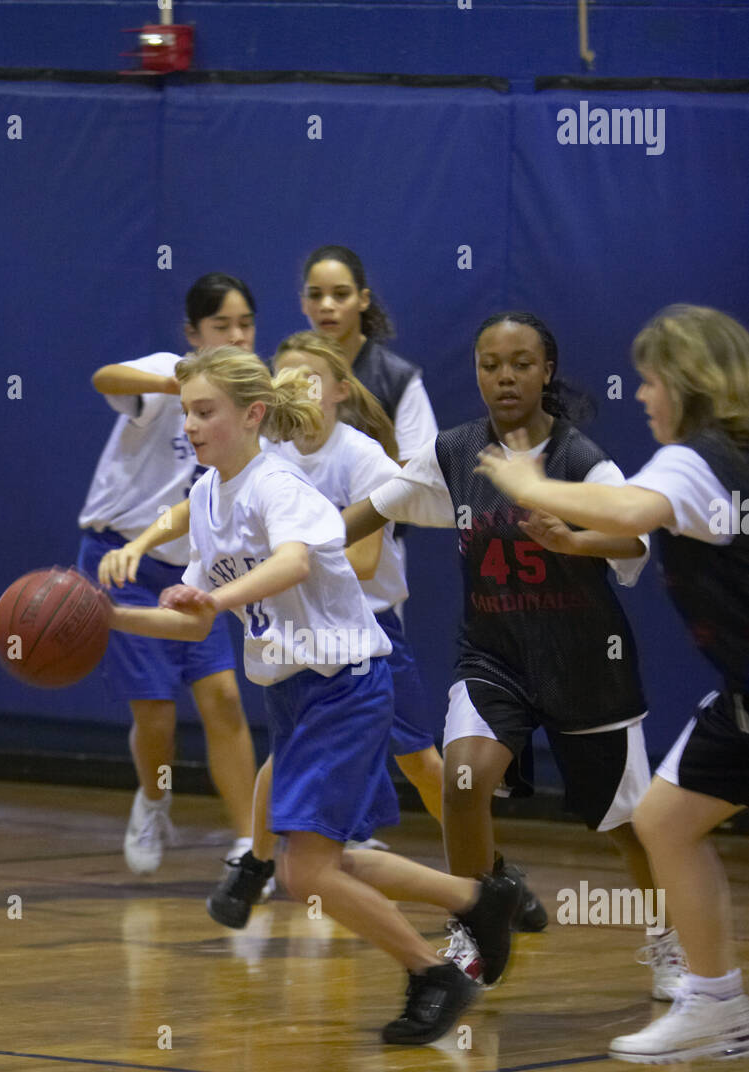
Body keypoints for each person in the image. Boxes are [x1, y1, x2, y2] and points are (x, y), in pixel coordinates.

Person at [107, 344, 523, 1044]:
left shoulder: (279, 486)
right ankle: (480, 898)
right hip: (292, 696)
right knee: (326, 863)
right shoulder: (207, 497)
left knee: (305, 871)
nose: (193, 427)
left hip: (347, 687)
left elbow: (292, 561)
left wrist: (217, 600)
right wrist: (106, 618)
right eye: (186, 414)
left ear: (253, 415)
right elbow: (192, 613)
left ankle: (433, 974)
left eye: (206, 412)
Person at [343, 312, 682, 997]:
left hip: (585, 663)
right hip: (494, 655)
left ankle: (670, 938)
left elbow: (637, 542)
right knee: (463, 780)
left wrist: (577, 540)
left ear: (545, 372)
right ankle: (474, 925)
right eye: (490, 364)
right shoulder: (455, 451)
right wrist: (298, 543)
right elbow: (371, 510)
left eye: (520, 363)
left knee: (625, 824)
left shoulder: (581, 460)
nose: (503, 376)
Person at [474, 304, 749, 1062]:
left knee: (662, 822)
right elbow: (645, 524)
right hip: (739, 699)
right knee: (663, 821)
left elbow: (630, 505)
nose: (643, 396)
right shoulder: (727, 457)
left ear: (686, 383)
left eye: (650, 381)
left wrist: (529, 481)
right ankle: (715, 1003)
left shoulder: (697, 458)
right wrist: (573, 540)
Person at [207, 331, 443, 929]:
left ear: (340, 389)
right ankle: (260, 863)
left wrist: (285, 558)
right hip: (301, 632)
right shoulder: (269, 455)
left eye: (310, 378)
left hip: (366, 630)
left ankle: (485, 866)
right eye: (284, 376)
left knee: (419, 761)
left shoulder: (359, 455)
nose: (297, 388)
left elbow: (360, 564)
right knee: (283, 757)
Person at [77, 274, 258, 874]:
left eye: (245, 324)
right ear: (193, 334)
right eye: (220, 326)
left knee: (225, 700)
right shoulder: (164, 372)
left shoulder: (249, 398)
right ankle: (153, 799)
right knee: (155, 712)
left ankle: (249, 848)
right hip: (123, 556)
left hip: (193, 572)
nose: (235, 335)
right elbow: (104, 377)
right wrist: (172, 381)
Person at [299, 244, 438, 462]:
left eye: (341, 294)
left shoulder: (398, 379)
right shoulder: (280, 373)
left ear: (363, 299)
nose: (326, 305)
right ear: (303, 303)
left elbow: (419, 475)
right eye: (315, 295)